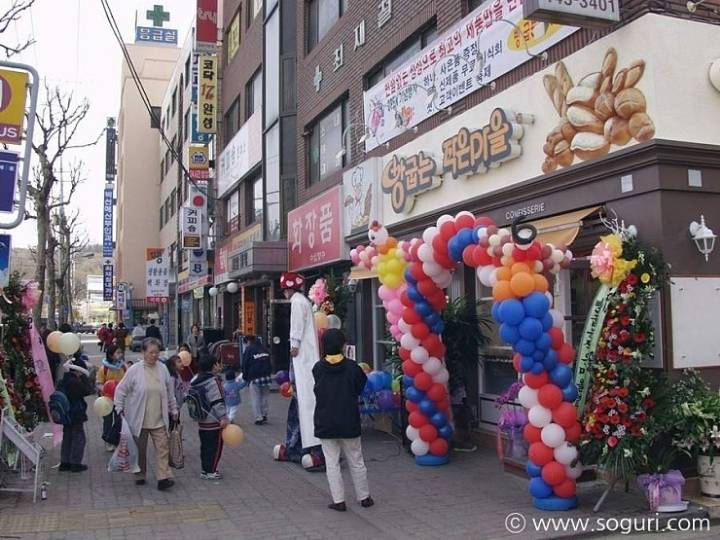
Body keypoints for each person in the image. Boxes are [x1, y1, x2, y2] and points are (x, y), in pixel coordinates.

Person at [313, 329, 373, 511]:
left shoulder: (318, 368)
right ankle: (364, 497)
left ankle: (338, 500)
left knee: (331, 462)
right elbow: (361, 387)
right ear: (342, 345)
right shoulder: (353, 367)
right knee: (356, 459)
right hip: (348, 419)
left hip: (325, 420)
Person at [273, 272, 325, 471]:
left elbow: (296, 327)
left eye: (284, 290)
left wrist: (293, 345)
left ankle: (304, 448)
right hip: (308, 360)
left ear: (287, 289)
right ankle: (300, 445)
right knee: (303, 404)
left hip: (302, 361)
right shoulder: (303, 301)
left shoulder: (296, 302)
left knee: (303, 403)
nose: (284, 293)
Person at [114, 337, 178, 491]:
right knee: (139, 450)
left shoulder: (162, 369)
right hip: (139, 419)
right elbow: (121, 390)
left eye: (157, 352)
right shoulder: (134, 370)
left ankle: (163, 478)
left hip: (159, 419)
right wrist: (119, 407)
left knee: (163, 449)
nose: (154, 355)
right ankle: (140, 474)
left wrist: (173, 409)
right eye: (151, 352)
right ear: (143, 352)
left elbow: (170, 392)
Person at [190, 354, 229, 480]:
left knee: (205, 446)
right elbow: (217, 401)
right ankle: (211, 471)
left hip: (202, 420)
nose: (219, 365)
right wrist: (223, 417)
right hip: (214, 420)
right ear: (213, 366)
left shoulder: (196, 380)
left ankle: (205, 470)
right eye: (217, 363)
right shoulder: (213, 381)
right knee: (215, 447)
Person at [58, 356, 95, 472]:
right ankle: (75, 463)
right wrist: (85, 378)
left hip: (65, 414)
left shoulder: (63, 380)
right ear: (78, 371)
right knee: (79, 438)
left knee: (67, 437)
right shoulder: (75, 382)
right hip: (76, 413)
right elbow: (88, 390)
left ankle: (65, 462)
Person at [97, 344, 127, 451]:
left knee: (119, 420)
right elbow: (99, 383)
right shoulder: (103, 369)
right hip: (107, 400)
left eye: (120, 352)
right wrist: (106, 389)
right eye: (117, 353)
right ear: (110, 355)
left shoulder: (123, 367)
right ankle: (107, 440)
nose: (120, 355)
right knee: (108, 421)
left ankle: (115, 440)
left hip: (119, 400)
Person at [241, 335, 272, 425]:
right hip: (266, 376)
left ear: (248, 341)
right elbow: (269, 361)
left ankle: (258, 417)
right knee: (265, 396)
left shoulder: (249, 350)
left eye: (245, 343)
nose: (246, 345)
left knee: (256, 398)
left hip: (254, 377)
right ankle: (264, 414)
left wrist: (245, 376)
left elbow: (245, 364)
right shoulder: (264, 348)